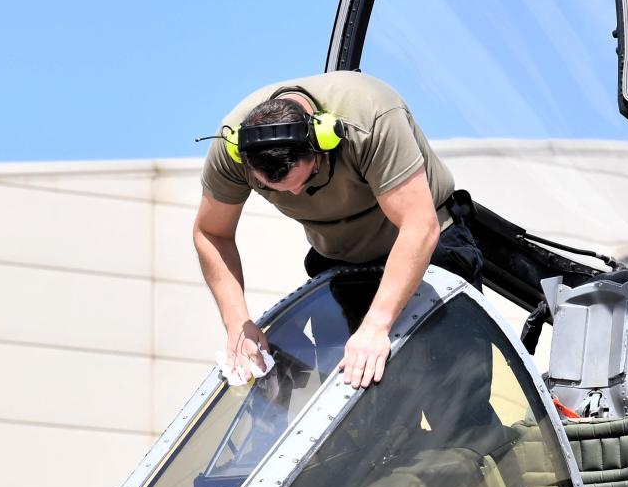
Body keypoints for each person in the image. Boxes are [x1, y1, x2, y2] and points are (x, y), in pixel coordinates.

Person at [194, 71, 482, 390]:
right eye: (274, 188)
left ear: (323, 139)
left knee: (454, 399)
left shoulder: (370, 117)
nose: (296, 195)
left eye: (307, 179)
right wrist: (237, 324)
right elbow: (211, 232)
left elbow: (419, 225)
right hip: (341, 266)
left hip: (429, 253)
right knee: (362, 416)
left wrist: (375, 326)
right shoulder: (229, 151)